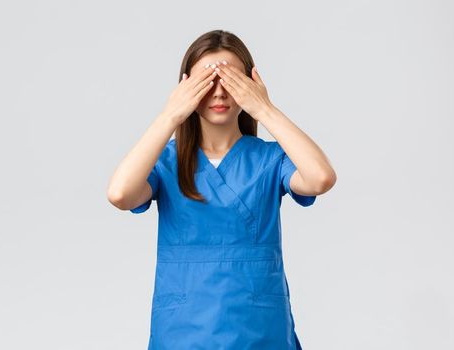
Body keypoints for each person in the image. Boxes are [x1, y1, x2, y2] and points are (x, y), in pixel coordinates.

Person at [106, 29, 337, 349]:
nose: (219, 92)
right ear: (186, 87)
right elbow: (120, 194)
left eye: (230, 81)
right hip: (183, 328)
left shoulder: (269, 160)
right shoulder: (167, 162)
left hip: (258, 327)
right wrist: (170, 114)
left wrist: (265, 109)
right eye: (206, 81)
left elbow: (320, 178)